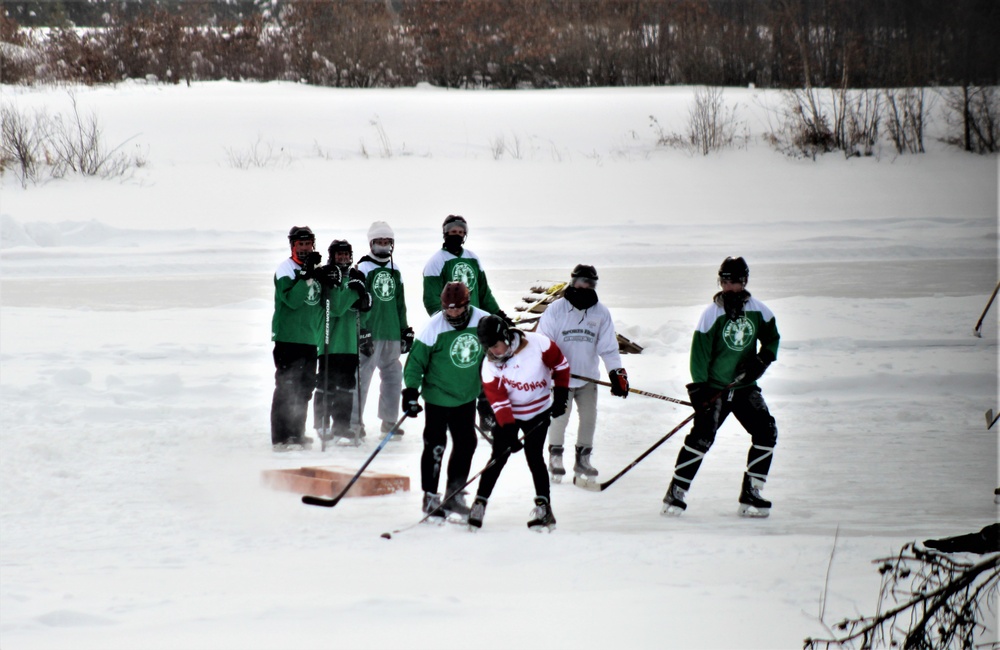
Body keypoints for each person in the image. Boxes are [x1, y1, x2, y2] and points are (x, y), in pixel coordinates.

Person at [661, 256, 780, 518]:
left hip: (744, 387)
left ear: (744, 281)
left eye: (735, 281)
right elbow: (699, 353)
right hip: (714, 388)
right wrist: (698, 389)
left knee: (767, 432)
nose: (729, 287)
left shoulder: (759, 310)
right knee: (702, 437)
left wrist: (762, 360)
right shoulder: (711, 313)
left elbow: (772, 338)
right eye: (725, 281)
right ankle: (676, 491)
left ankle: (753, 491)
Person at [469, 315, 570, 532]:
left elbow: (561, 366)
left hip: (538, 412)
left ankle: (544, 508)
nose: (493, 352)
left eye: (495, 345)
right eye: (488, 347)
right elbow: (497, 397)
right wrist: (507, 429)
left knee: (535, 457)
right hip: (510, 414)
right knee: (498, 458)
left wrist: (561, 396)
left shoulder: (539, 344)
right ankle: (479, 503)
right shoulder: (490, 364)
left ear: (506, 336)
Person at [402, 282, 490, 522]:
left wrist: (487, 397)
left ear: (467, 305)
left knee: (466, 444)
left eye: (457, 309)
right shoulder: (433, 327)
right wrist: (410, 392)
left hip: (466, 397)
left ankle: (455, 493)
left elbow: (494, 356)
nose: (452, 314)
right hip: (438, 397)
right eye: (447, 309)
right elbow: (415, 363)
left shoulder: (483, 322)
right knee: (435, 446)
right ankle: (430, 496)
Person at [537, 264, 628, 482]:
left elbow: (608, 347)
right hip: (561, 378)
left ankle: (583, 459)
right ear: (573, 282)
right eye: (581, 282)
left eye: (590, 283)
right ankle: (555, 457)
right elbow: (543, 343)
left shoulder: (601, 312)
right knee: (559, 417)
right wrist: (547, 370)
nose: (585, 287)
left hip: (588, 376)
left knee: (589, 418)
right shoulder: (556, 309)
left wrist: (617, 374)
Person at [270, 225, 340, 451]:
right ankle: (282, 436)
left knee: (305, 387)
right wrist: (306, 276)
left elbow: (326, 303)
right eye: (300, 244)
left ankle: (297, 433)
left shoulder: (315, 268)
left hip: (311, 339)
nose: (304, 248)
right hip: (288, 338)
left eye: (308, 244)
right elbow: (291, 300)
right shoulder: (285, 270)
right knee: (287, 386)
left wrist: (329, 278)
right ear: (292, 246)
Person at [351, 221, 413, 439]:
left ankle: (389, 421)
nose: (384, 246)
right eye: (379, 242)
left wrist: (404, 330)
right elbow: (358, 305)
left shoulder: (395, 270)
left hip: (392, 333)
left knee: (394, 377)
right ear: (371, 243)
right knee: (362, 378)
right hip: (371, 333)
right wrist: (362, 332)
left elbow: (400, 303)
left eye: (387, 242)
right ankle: (354, 423)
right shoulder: (362, 268)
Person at [313, 239, 372, 444]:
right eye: (339, 255)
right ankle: (321, 422)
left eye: (346, 254)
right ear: (332, 256)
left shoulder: (356, 276)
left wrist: (364, 301)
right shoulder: (326, 275)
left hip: (349, 342)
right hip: (329, 340)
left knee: (347, 385)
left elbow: (361, 312)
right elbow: (336, 307)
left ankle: (342, 425)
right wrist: (354, 292)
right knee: (327, 382)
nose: (343, 258)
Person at [422, 215, 502, 317]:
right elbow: (431, 299)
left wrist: (498, 314)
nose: (457, 235)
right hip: (452, 321)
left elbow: (484, 294)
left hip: (474, 320)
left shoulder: (473, 258)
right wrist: (443, 320)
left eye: (461, 232)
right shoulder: (436, 262)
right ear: (446, 233)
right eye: (454, 232)